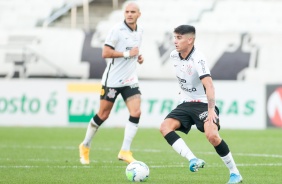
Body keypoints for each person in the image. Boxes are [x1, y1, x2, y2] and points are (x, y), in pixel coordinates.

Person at [159, 25, 243, 184]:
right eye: (174, 37)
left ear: (190, 40)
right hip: (185, 103)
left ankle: (235, 173)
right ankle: (193, 159)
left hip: (203, 104)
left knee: (212, 135)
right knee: (164, 127)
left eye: (179, 38)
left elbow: (209, 85)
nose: (174, 41)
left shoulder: (198, 58)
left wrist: (211, 110)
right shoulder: (173, 56)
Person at [79, 1, 144, 165]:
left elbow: (133, 50)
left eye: (132, 12)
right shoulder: (117, 30)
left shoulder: (140, 31)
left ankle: (125, 151)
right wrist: (129, 53)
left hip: (130, 79)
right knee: (103, 114)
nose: (129, 14)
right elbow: (105, 52)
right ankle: (85, 145)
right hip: (113, 80)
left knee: (136, 112)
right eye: (127, 11)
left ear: (139, 14)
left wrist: (138, 56)